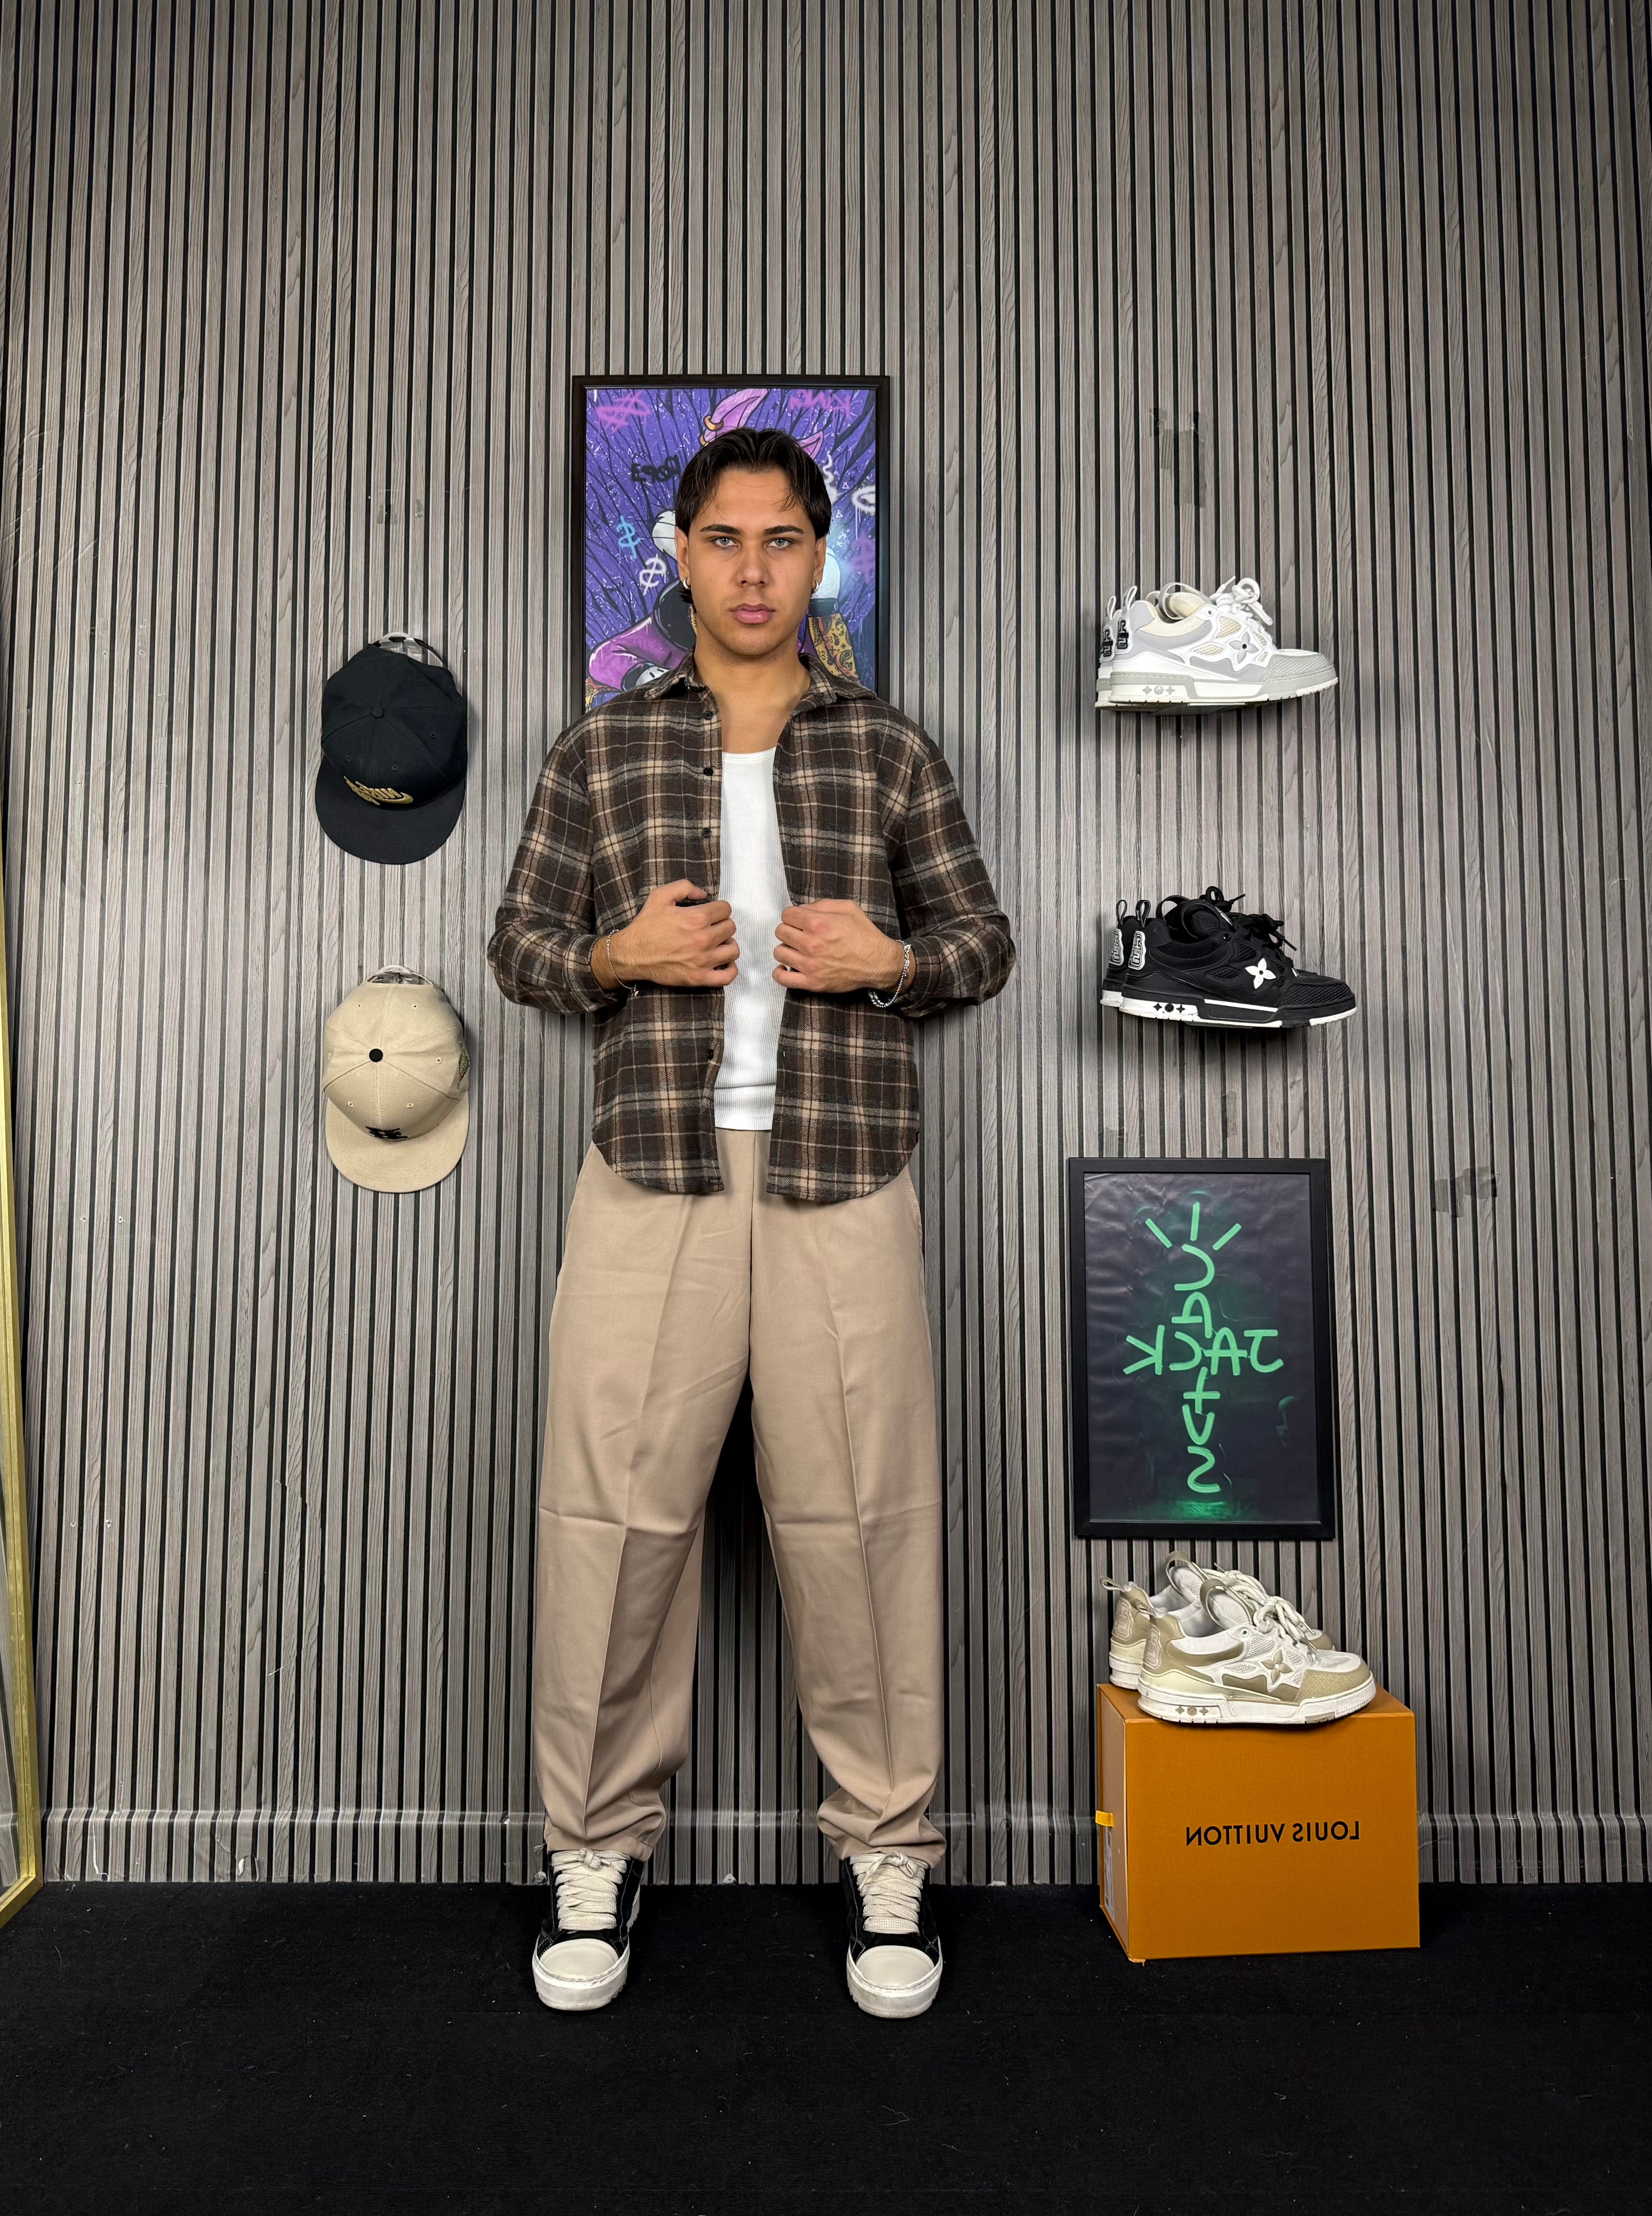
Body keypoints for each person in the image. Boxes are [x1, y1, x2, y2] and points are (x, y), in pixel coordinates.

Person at [487, 425, 1014, 2019]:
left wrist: (893, 965)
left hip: (842, 1169)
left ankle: (888, 1852)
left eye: (783, 540)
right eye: (724, 540)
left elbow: (980, 942)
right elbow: (520, 945)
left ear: (819, 557)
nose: (753, 570)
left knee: (864, 1523)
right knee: (612, 1515)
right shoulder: (601, 751)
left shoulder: (890, 749)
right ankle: (594, 1848)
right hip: (651, 1170)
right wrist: (617, 955)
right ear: (683, 555)